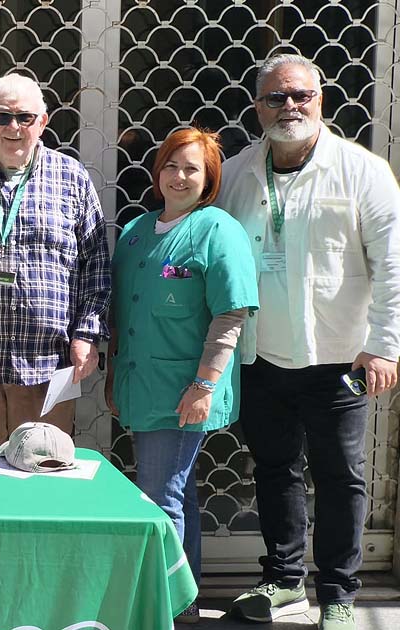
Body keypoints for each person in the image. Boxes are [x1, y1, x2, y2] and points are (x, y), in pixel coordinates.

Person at [218, 54, 400, 630]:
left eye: (300, 95)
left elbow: (393, 265)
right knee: (273, 468)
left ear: (321, 100)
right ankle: (281, 579)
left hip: (341, 358)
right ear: (257, 108)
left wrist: (385, 344)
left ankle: (341, 594)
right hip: (262, 354)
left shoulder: (362, 171)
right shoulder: (241, 172)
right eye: (275, 98)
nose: (289, 106)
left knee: (341, 475)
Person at [105, 127, 259, 624]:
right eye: (171, 165)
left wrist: (206, 385)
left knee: (160, 498)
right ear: (157, 171)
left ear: (209, 177)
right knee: (176, 491)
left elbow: (230, 314)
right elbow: (122, 316)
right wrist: (112, 380)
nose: (179, 176)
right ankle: (185, 600)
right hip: (139, 386)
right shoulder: (136, 231)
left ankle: (161, 609)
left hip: (183, 391)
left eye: (192, 168)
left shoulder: (218, 230)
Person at [0, 73, 111, 444]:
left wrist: (86, 335)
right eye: (2, 117)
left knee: (43, 483)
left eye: (25, 118)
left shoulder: (72, 177)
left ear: (43, 122)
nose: (14, 128)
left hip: (48, 368)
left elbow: (96, 265)